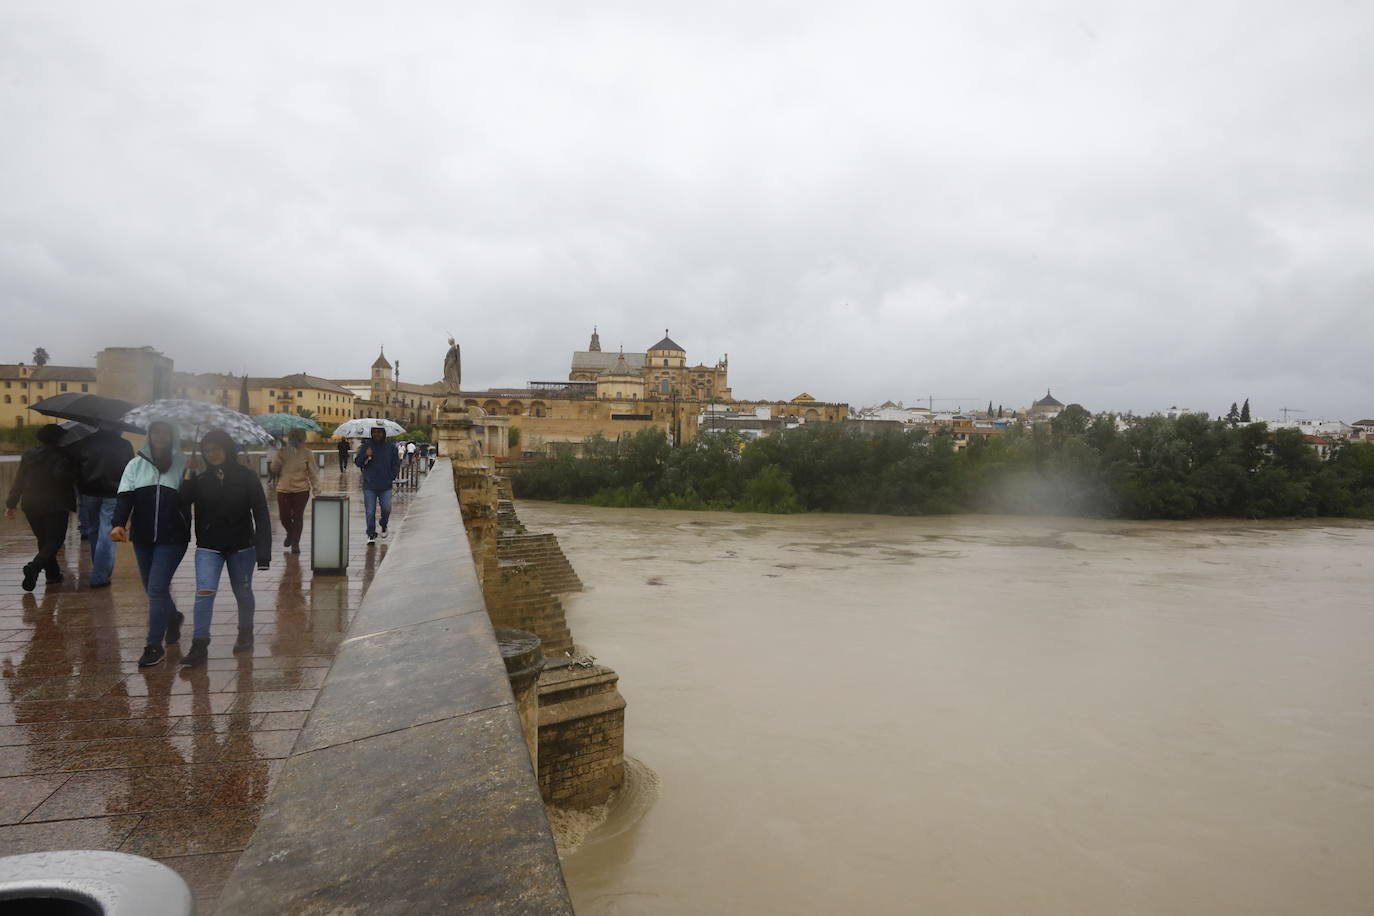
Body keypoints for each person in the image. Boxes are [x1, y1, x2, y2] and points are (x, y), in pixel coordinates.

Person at [179, 429, 271, 666]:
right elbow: (182, 502)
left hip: (241, 545)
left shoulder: (247, 476)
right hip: (209, 546)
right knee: (204, 593)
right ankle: (199, 646)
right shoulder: (199, 479)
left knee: (242, 592)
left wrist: (263, 552)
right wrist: (187, 473)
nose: (213, 454)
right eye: (208, 451)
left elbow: (261, 513)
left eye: (217, 449)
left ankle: (245, 631)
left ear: (227, 449)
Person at [111, 421, 191, 668]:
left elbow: (193, 498)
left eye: (165, 431)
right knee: (152, 588)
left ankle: (153, 645)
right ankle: (173, 617)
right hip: (143, 536)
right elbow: (125, 497)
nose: (160, 435)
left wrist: (191, 478)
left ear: (172, 435)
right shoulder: (135, 464)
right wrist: (118, 523)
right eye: (156, 431)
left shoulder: (184, 463)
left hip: (174, 537)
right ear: (149, 435)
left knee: (156, 588)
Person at [5, 423, 77, 592]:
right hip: (56, 504)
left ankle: (52, 574)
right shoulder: (64, 455)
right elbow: (65, 478)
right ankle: (34, 567)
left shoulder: (29, 455)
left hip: (31, 504)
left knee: (44, 540)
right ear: (59, 438)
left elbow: (19, 481)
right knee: (55, 540)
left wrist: (11, 504)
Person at [66, 424, 134, 588]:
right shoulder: (123, 444)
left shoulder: (85, 442)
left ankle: (99, 569)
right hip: (113, 492)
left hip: (88, 492)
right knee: (108, 533)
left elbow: (74, 467)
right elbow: (130, 469)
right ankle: (99, 575)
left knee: (93, 531)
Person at [270, 429, 319, 554]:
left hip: (301, 490)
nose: (295, 439)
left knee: (298, 517)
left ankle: (295, 542)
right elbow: (274, 469)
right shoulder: (283, 451)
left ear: (303, 439)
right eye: (293, 437)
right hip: (283, 489)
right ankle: (290, 533)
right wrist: (278, 458)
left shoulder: (308, 453)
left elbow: (313, 472)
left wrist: (316, 489)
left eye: (298, 437)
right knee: (284, 516)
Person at [354, 425, 400, 544]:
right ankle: (371, 534)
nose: (377, 434)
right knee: (370, 511)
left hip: (386, 485)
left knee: (387, 509)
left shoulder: (391, 448)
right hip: (370, 485)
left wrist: (391, 477)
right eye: (374, 432)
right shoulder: (366, 446)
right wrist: (366, 455)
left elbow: (396, 464)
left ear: (384, 433)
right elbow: (358, 462)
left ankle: (383, 524)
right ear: (371, 433)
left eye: (379, 432)